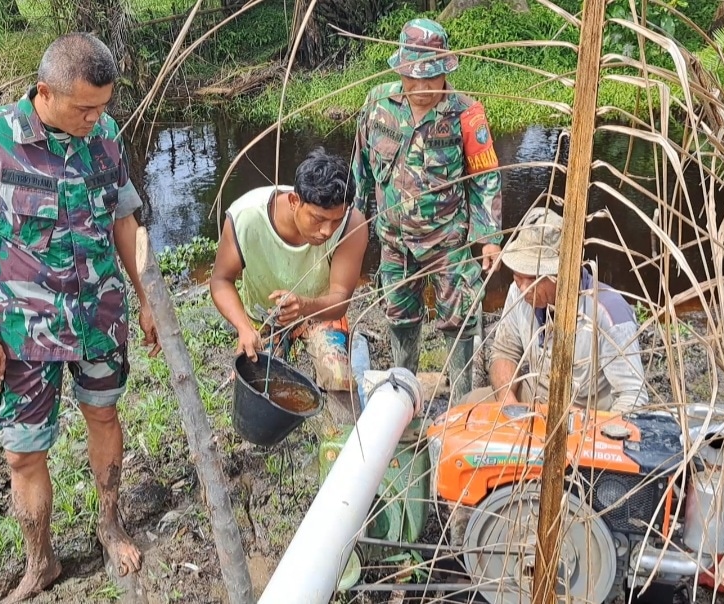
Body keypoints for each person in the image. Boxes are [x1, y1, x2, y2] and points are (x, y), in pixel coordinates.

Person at [0, 34, 159, 603]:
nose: (96, 118)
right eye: (84, 107)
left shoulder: (105, 136)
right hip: (24, 329)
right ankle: (41, 563)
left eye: (103, 106)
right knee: (23, 451)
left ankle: (110, 525)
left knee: (104, 418)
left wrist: (147, 298)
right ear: (45, 92)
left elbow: (125, 221)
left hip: (100, 318)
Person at [351, 18, 502, 400]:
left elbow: (486, 177)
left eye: (430, 79)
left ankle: (462, 396)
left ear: (445, 71)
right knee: (400, 315)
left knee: (460, 319)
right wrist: (353, 223)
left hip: (447, 240)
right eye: (412, 78)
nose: (421, 88)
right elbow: (362, 168)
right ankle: (405, 391)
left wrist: (488, 240)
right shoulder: (377, 104)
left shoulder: (466, 114)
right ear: (400, 70)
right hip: (394, 242)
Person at [210, 149, 369, 414]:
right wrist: (243, 327)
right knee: (257, 384)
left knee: (338, 374)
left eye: (335, 220)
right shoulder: (247, 217)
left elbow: (340, 300)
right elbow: (220, 280)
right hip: (265, 318)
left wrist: (304, 305)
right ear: (294, 200)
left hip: (321, 313)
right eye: (318, 219)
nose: (326, 231)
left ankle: (343, 436)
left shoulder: (352, 226)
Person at [465, 207, 649, 412]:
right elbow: (505, 351)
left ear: (561, 273)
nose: (524, 288)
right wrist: (508, 402)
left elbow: (632, 395)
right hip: (535, 399)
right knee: (467, 407)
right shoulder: (517, 293)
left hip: (587, 415)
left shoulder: (608, 312)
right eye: (518, 277)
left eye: (534, 279)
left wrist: (590, 433)